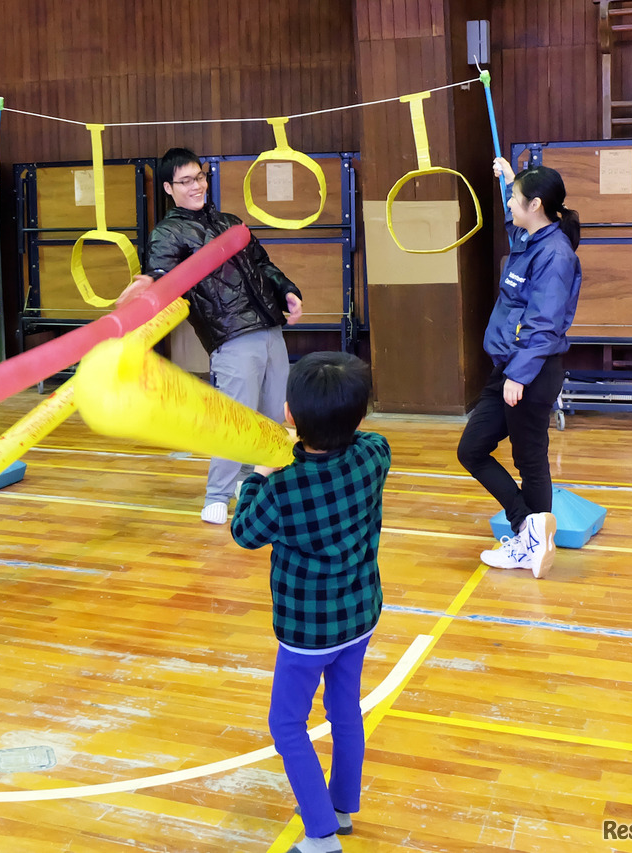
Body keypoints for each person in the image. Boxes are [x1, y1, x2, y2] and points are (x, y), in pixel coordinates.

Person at [230, 352, 389, 853]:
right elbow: (359, 440)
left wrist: (259, 471)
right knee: (345, 709)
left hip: (305, 631)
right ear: (360, 417)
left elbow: (244, 532)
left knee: (285, 723)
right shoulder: (374, 454)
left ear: (290, 415)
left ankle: (320, 834)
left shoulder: (281, 488)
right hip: (359, 613)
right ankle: (341, 806)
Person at [118, 147, 304, 525]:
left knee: (273, 418)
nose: (196, 186)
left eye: (200, 177)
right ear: (169, 188)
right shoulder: (168, 232)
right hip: (231, 337)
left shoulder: (231, 223)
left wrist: (286, 289)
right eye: (186, 181)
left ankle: (256, 486)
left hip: (269, 329)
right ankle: (216, 496)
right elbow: (162, 272)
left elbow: (262, 264)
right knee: (233, 420)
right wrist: (148, 282)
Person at [457, 159, 581, 579]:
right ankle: (530, 528)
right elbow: (516, 227)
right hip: (508, 367)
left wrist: (519, 375)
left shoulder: (556, 256)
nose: (511, 204)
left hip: (532, 370)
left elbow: (545, 324)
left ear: (537, 205)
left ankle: (529, 542)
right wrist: (508, 180)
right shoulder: (531, 239)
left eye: (515, 200)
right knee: (471, 449)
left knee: (530, 460)